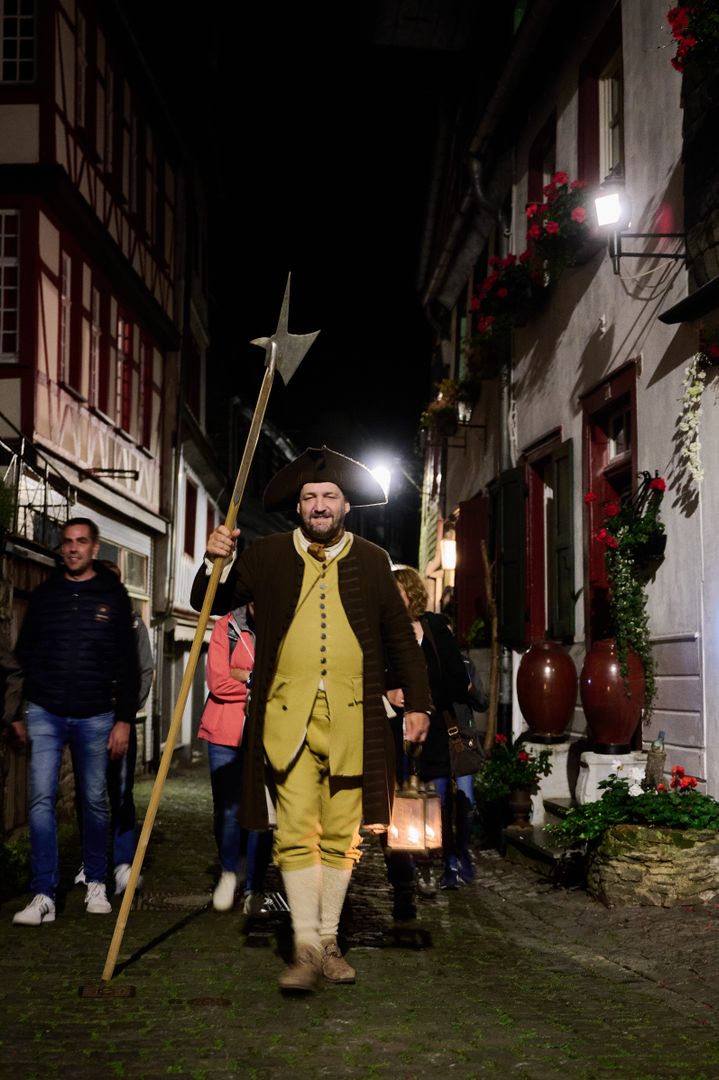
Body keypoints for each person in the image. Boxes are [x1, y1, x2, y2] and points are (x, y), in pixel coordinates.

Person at [191, 446, 431, 992]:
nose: (319, 505)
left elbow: (400, 638)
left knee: (343, 835)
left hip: (355, 718)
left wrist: (417, 703)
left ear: (346, 505)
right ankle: (304, 947)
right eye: (309, 497)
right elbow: (210, 600)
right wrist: (214, 559)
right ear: (298, 507)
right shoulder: (268, 554)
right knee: (296, 830)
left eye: (328, 496)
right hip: (286, 716)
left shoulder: (372, 559)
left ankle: (328, 940)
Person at [11, 517, 139, 925]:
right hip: (45, 711)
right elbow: (23, 655)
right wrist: (16, 711)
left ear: (94, 548)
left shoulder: (113, 596)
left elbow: (129, 664)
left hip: (96, 713)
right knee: (40, 801)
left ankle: (96, 882)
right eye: (67, 541)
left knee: (94, 801)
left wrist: (124, 719)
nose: (72, 548)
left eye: (81, 541)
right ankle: (43, 894)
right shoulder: (45, 595)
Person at [386, 566, 476, 900]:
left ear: (411, 593)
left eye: (397, 592)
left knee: (437, 803)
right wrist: (388, 692)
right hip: (396, 732)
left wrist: (423, 699)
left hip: (435, 731)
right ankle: (408, 870)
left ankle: (436, 860)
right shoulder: (385, 633)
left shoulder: (436, 629)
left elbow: (457, 681)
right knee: (399, 802)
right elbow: (372, 673)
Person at [74, 560, 154, 895]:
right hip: (87, 721)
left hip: (120, 721)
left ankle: (122, 863)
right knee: (87, 794)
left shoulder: (133, 624)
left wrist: (128, 711)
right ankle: (90, 861)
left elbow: (145, 670)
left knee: (121, 794)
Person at [198, 604, 272, 914]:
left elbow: (284, 680)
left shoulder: (281, 626)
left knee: (262, 811)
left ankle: (254, 885)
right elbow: (217, 681)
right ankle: (229, 872)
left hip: (266, 733)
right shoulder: (225, 627)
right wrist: (257, 681)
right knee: (227, 810)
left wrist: (241, 674)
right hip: (224, 734)